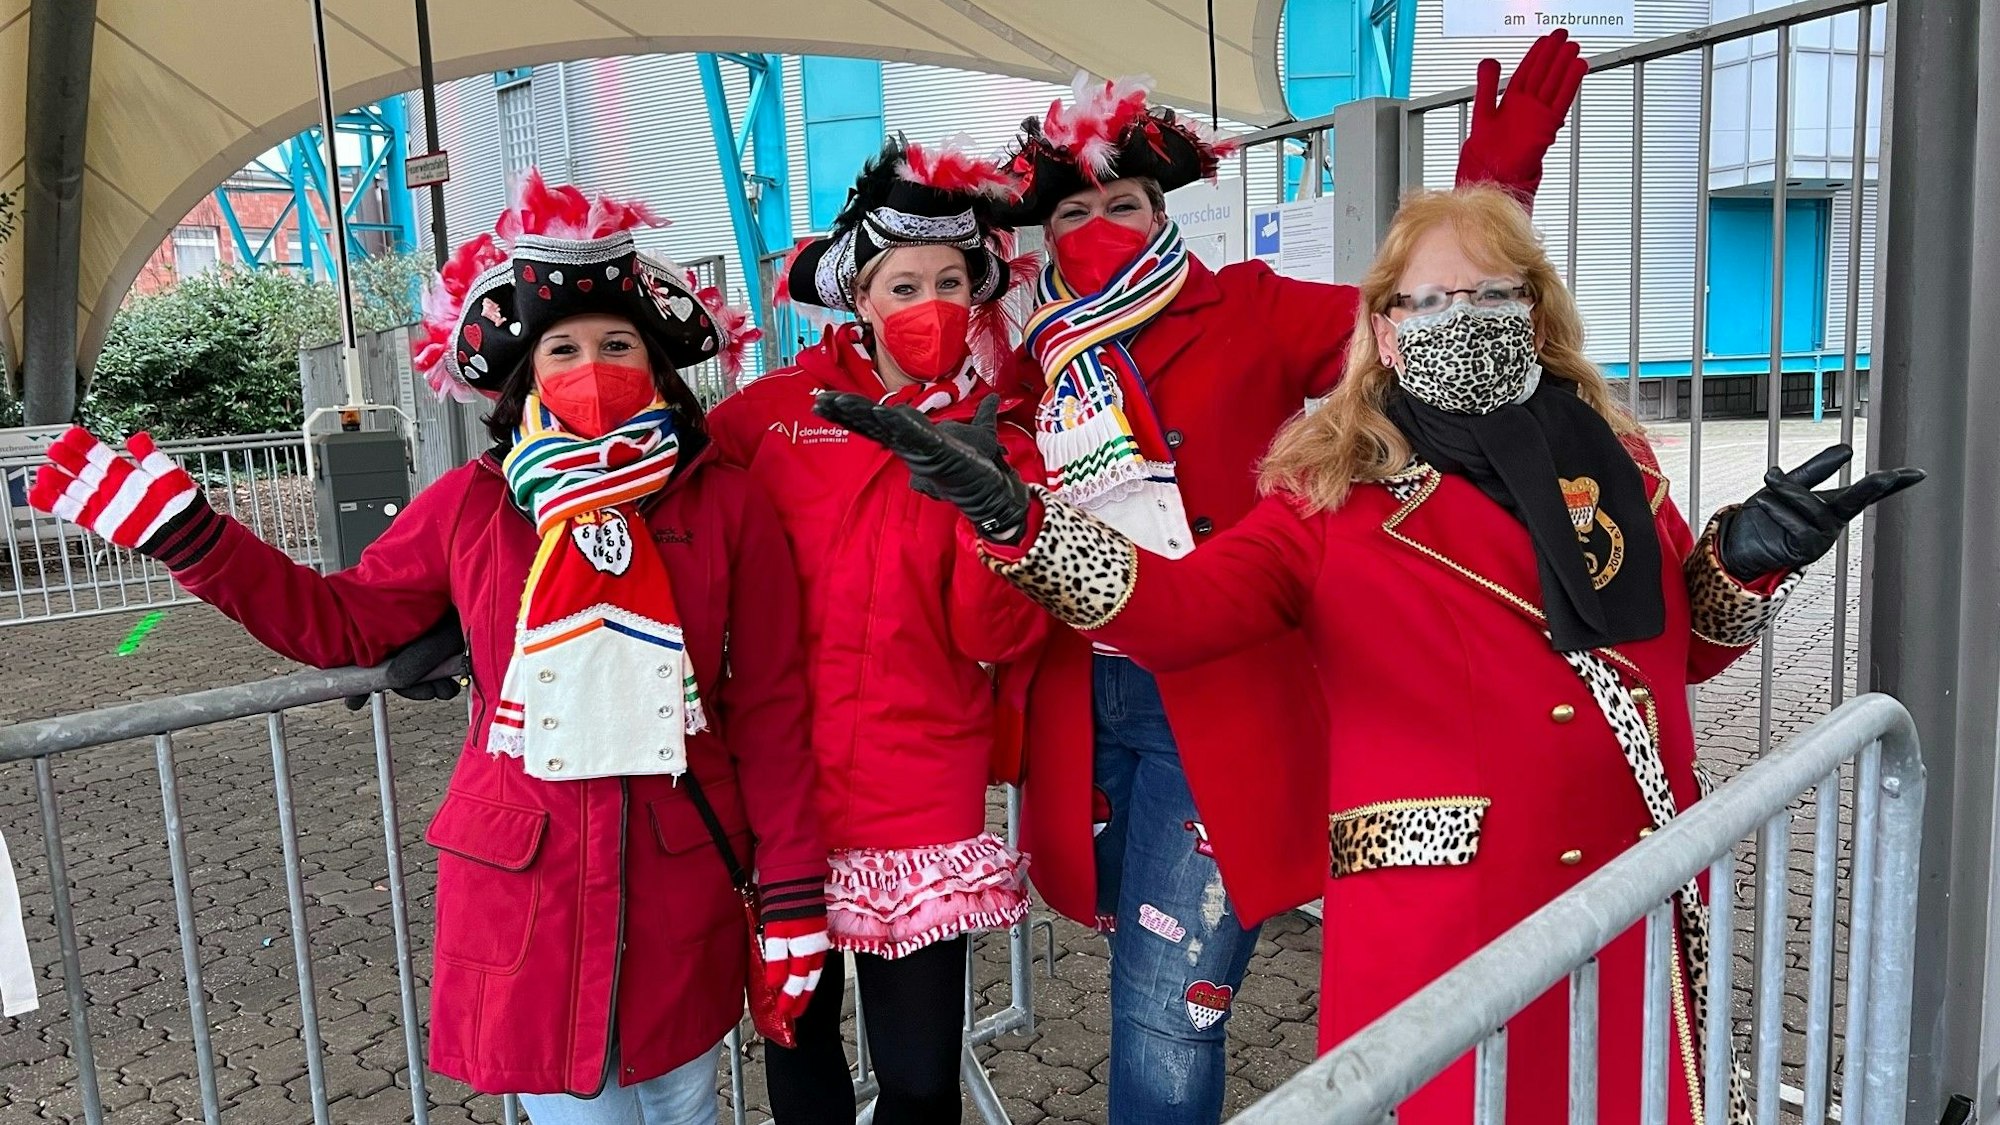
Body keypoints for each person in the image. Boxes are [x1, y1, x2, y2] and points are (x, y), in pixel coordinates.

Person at [814, 184, 1924, 1125]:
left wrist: (1744, 566)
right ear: (1384, 332)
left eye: (1492, 295)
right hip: (1450, 920)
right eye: (1429, 301)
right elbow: (1176, 612)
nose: (1462, 319)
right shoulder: (1325, 497)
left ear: (1536, 314)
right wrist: (1016, 522)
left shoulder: (1615, 465)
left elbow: (1676, 663)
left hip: (1629, 896)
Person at [28, 173, 831, 1125]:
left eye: (618, 345)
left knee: (687, 1106)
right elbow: (343, 620)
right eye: (564, 348)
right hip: (534, 881)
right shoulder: (473, 505)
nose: (593, 365)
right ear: (526, 373)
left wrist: (792, 888)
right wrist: (197, 537)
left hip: (680, 874)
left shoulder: (725, 502)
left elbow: (771, 705)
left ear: (658, 367)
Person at [978, 31, 1586, 1119]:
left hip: (1211, 697)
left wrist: (1489, 197)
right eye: (1073, 211)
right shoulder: (1038, 355)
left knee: (1168, 1007)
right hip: (1089, 696)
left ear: (1162, 210)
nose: (1099, 226)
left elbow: (1410, 330)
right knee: (1131, 944)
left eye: (1123, 203)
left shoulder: (1248, 306)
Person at [705, 137, 1046, 1125]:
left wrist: (990, 508)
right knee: (800, 1054)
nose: (928, 305)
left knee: (921, 1083)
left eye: (949, 283)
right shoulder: (769, 418)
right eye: (903, 285)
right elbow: (671, 526)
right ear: (859, 296)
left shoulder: (1000, 436)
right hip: (784, 791)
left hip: (922, 788)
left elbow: (998, 636)